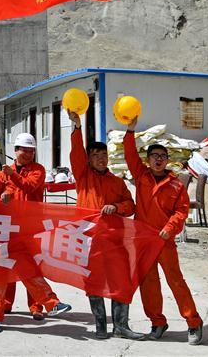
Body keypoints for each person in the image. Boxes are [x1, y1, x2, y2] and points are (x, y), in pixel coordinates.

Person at [0, 117, 69, 333]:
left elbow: (9, 185)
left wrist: (8, 193)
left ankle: (51, 304)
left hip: (12, 229)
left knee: (28, 266)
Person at [124, 118, 203, 345]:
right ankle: (157, 322)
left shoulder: (176, 184)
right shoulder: (141, 176)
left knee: (175, 280)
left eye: (162, 156)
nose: (158, 160)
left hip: (164, 240)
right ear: (147, 161)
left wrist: (170, 228)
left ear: (167, 160)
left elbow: (181, 211)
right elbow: (130, 155)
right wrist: (130, 130)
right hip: (144, 241)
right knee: (148, 283)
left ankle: (193, 322)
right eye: (154, 156)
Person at [67, 111, 143, 340]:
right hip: (90, 240)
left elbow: (131, 206)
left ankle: (121, 326)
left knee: (120, 280)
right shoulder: (83, 177)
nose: (101, 158)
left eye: (104, 154)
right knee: (94, 283)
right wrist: (77, 127)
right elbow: (76, 154)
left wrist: (116, 207)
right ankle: (101, 326)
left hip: (114, 239)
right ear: (89, 159)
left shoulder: (117, 182)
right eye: (95, 155)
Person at [0, 133, 70, 322]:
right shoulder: (8, 171)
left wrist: (11, 175)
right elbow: (7, 188)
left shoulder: (38, 169)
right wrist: (6, 192)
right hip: (11, 226)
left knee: (32, 267)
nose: (29, 154)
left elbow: (29, 186)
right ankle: (6, 304)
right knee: (8, 266)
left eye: (32, 151)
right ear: (16, 151)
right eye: (25, 151)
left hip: (32, 227)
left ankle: (36, 307)